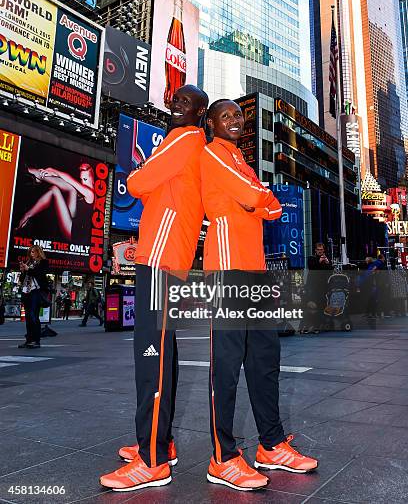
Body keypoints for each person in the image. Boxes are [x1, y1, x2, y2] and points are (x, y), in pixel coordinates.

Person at [200, 99, 318, 491]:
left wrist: (258, 197)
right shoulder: (211, 154)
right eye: (226, 115)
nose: (236, 119)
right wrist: (257, 197)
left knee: (266, 359)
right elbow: (257, 198)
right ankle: (223, 457)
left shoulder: (241, 161)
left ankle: (271, 444)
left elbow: (269, 207)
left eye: (239, 114)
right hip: (227, 268)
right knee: (228, 366)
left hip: (256, 270)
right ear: (211, 123)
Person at [100, 85, 209, 492]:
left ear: (199, 113)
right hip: (164, 252)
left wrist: (143, 179)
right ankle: (159, 442)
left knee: (153, 356)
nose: (176, 104)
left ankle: (153, 460)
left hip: (161, 255)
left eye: (187, 102)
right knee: (163, 350)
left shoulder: (183, 139)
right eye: (175, 99)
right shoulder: (189, 141)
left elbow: (138, 180)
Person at [17, 163, 95, 246]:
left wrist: (53, 170)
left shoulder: (90, 194)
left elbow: (71, 180)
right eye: (81, 179)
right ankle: (37, 175)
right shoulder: (88, 191)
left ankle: (26, 215)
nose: (83, 182)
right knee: (72, 189)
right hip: (74, 220)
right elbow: (69, 182)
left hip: (74, 233)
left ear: (92, 179)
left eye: (85, 179)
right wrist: (54, 174)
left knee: (55, 189)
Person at [18, 245, 49, 349]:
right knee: (28, 317)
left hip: (36, 291)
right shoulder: (28, 263)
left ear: (38, 252)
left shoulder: (43, 262)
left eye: (34, 252)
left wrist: (28, 270)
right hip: (27, 291)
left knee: (33, 316)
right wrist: (23, 270)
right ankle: (29, 340)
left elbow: (39, 274)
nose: (32, 254)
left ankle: (36, 340)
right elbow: (23, 279)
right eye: (30, 252)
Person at [300, 243, 332, 334]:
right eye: (318, 249)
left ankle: (317, 326)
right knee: (311, 306)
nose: (320, 251)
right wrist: (319, 261)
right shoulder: (311, 259)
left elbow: (330, 271)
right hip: (312, 287)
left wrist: (327, 263)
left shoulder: (326, 259)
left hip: (322, 287)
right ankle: (308, 325)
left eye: (321, 250)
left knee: (321, 306)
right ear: (315, 250)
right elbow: (312, 268)